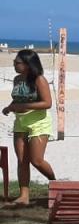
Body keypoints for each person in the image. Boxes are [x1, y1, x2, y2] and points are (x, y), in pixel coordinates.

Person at [2, 50, 56, 205]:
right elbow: (18, 99)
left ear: (27, 64)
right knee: (22, 160)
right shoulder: (17, 79)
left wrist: (24, 106)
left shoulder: (39, 80)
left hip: (39, 123)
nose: (14, 64)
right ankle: (24, 196)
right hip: (20, 122)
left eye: (17, 62)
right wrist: (10, 107)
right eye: (14, 62)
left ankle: (54, 182)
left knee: (36, 160)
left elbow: (47, 103)